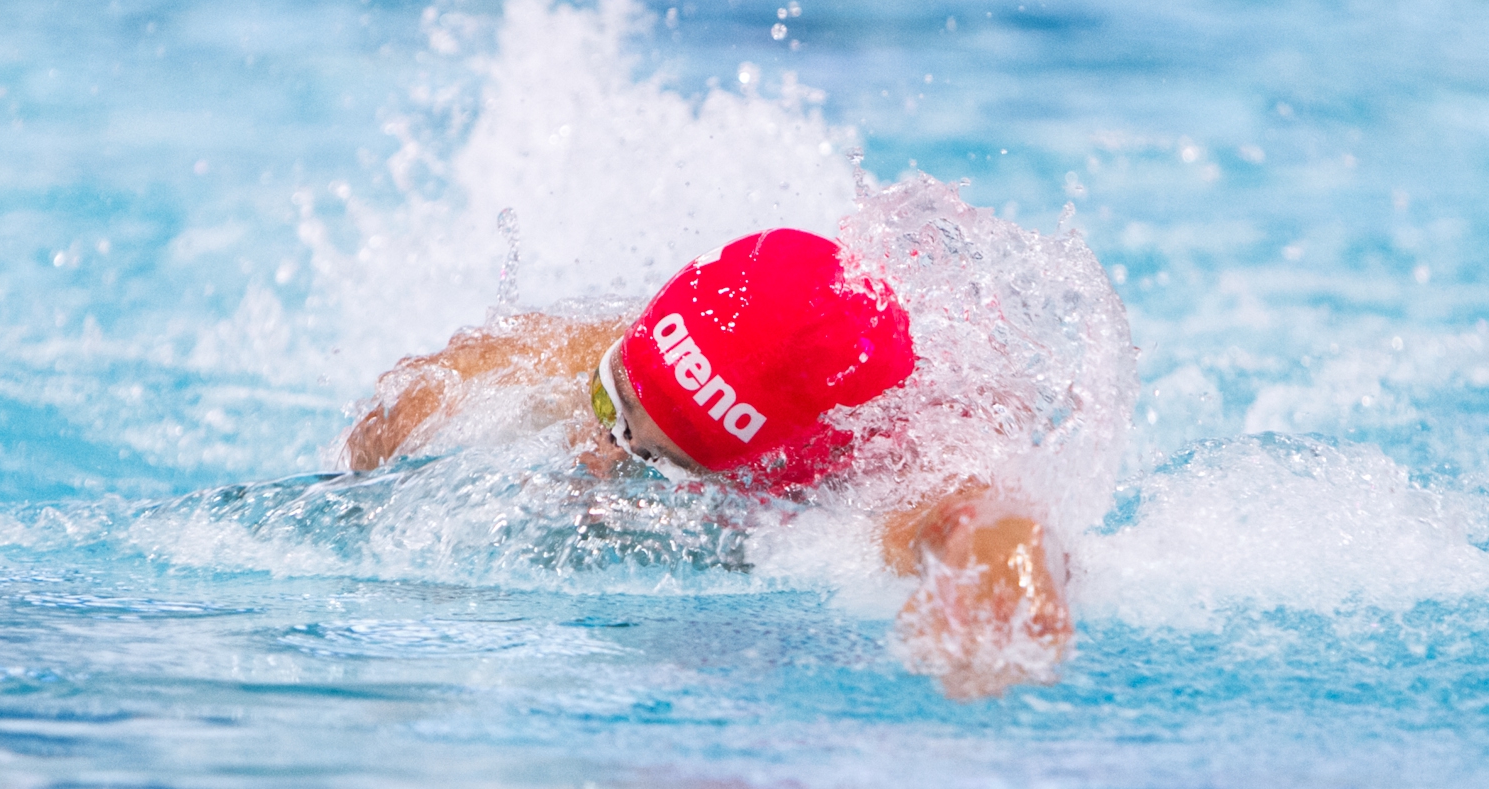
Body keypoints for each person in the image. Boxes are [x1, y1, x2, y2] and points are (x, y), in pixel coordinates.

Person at [341, 228, 1071, 698]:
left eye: (650, 459)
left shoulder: (882, 478)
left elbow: (987, 521)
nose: (598, 452)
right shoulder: (641, 348)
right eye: (607, 397)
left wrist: (1001, 582)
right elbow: (421, 392)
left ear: (769, 470)